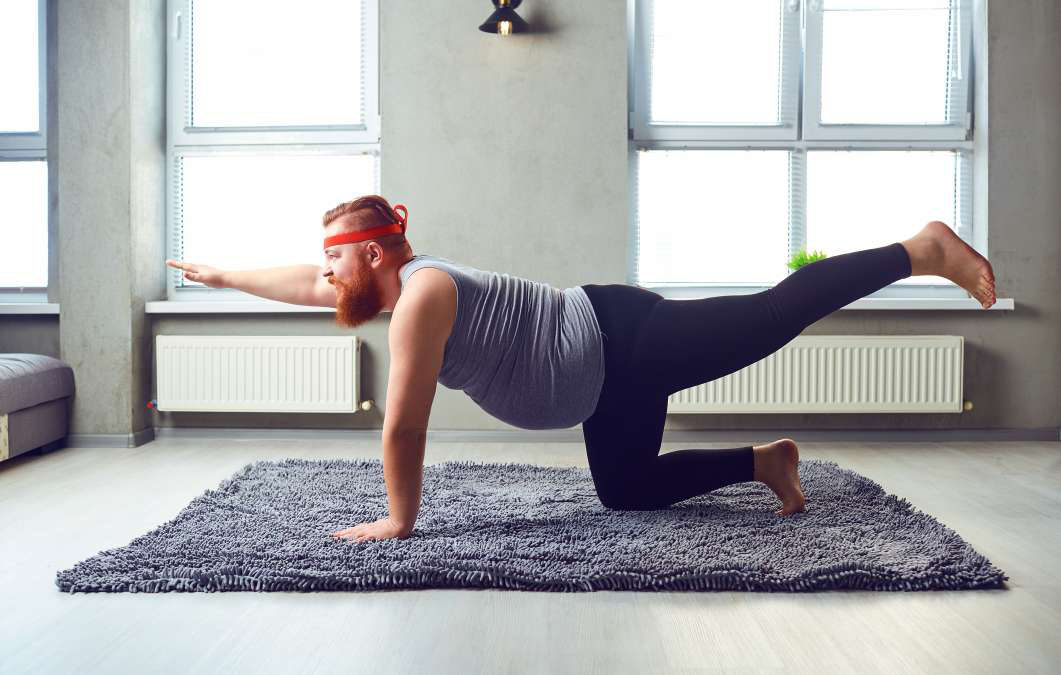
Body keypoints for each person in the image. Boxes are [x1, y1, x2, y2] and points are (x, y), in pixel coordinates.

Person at [165, 195, 997, 542]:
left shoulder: (420, 297)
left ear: (375, 253)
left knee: (773, 314)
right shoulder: (390, 286)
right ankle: (764, 462)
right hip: (602, 382)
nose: (326, 279)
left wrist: (399, 521)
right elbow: (306, 286)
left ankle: (918, 248)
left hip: (619, 338)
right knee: (624, 492)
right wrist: (222, 276)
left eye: (335, 264)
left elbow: (403, 423)